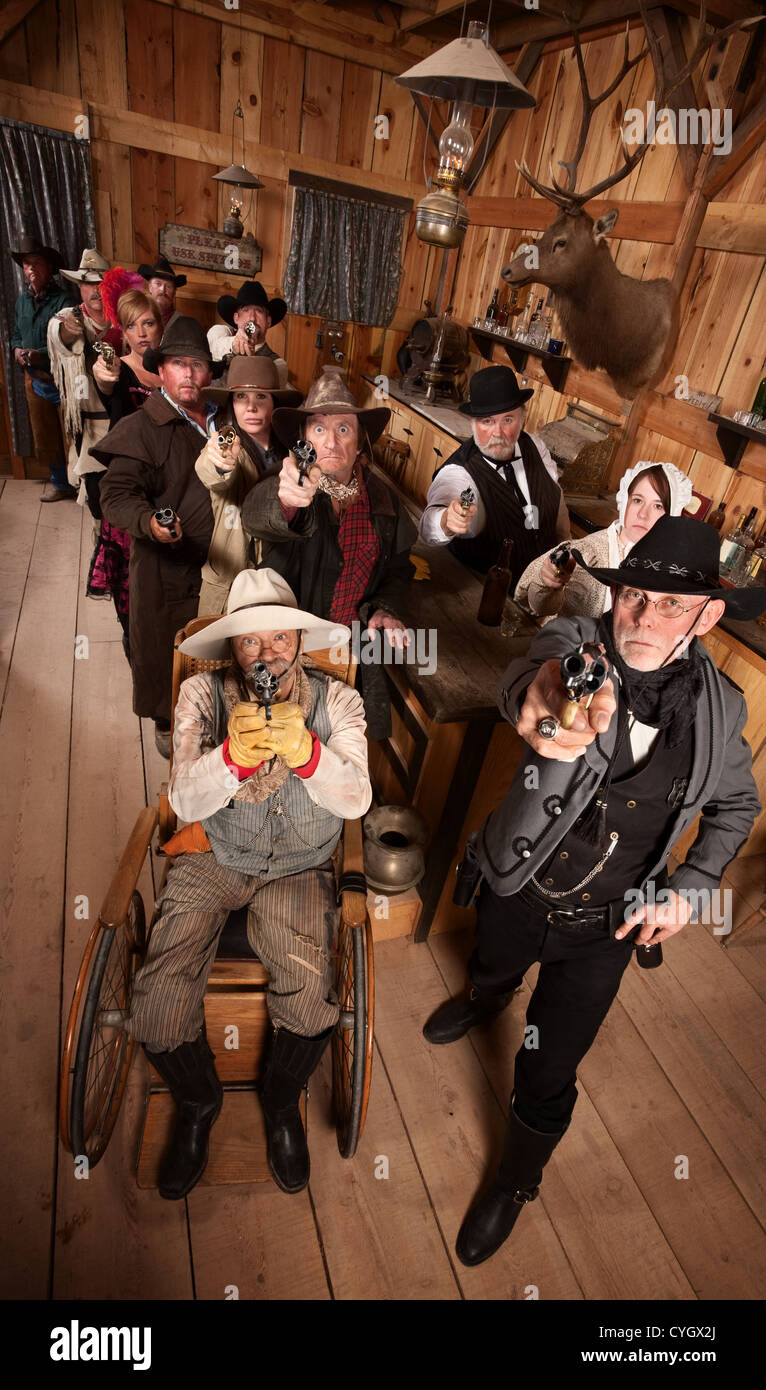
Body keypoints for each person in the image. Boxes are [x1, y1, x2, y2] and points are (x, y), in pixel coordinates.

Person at [422, 516, 766, 1268]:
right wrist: (537, 704)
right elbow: (532, 676)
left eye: (672, 605)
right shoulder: (574, 644)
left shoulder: (723, 709)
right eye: (634, 596)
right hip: (520, 883)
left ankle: (517, 1179)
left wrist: (692, 888)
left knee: (548, 1069)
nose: (643, 619)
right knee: (492, 964)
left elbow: (737, 806)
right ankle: (486, 997)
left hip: (608, 927)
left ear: (708, 615)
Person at [126, 566, 371, 1200]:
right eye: (249, 642)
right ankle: (199, 1100)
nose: (267, 653)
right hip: (219, 853)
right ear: (232, 648)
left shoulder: (339, 700)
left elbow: (357, 799)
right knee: (153, 1004)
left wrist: (309, 755)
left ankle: (282, 1100)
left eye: (278, 639)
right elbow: (183, 796)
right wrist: (229, 759)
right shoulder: (201, 698)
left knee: (314, 994)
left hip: (300, 864)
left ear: (298, 639)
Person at [241, 367, 416, 740]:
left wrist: (386, 608)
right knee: (279, 742)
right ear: (304, 439)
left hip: (353, 653)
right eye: (319, 429)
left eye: (343, 429)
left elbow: (400, 570)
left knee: (342, 745)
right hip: (289, 649)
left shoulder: (383, 503)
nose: (331, 442)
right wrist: (284, 500)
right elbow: (256, 514)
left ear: (360, 441)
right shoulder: (289, 483)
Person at [93, 317, 218, 756]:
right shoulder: (145, 427)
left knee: (214, 653)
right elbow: (115, 493)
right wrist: (149, 523)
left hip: (223, 566)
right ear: (161, 370)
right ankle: (169, 723)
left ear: (208, 373)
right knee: (170, 654)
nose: (189, 374)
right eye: (178, 363)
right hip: (170, 568)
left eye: (198, 365)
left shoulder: (225, 416)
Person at [419, 364, 570, 582]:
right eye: (487, 421)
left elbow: (557, 500)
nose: (498, 432)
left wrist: (566, 549)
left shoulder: (535, 447)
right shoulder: (461, 473)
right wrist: (446, 521)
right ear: (472, 424)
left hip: (546, 587)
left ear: (521, 420)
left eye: (507, 419)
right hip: (490, 591)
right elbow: (429, 525)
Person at [515, 460, 693, 622]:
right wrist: (548, 584)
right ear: (624, 502)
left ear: (672, 514)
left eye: (658, 506)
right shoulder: (587, 552)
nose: (642, 514)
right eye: (637, 500)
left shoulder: (669, 567)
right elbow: (541, 607)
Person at [85, 285, 163, 649]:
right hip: (131, 486)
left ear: (159, 326)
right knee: (130, 582)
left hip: (166, 483)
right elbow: (104, 377)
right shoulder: (119, 369)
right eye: (132, 326)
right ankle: (135, 648)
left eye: (148, 323)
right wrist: (103, 372)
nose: (142, 333)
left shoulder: (170, 370)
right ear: (124, 332)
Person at [194, 355, 302, 615]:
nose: (251, 407)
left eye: (261, 397)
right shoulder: (228, 447)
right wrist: (221, 462)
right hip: (229, 584)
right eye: (241, 397)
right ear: (232, 403)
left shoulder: (290, 454)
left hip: (278, 580)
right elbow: (211, 471)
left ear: (274, 403)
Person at [48, 253, 134, 516]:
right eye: (88, 284)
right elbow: (58, 336)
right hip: (90, 426)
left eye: (101, 283)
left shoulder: (125, 319)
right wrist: (67, 330)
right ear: (79, 287)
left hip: (126, 421)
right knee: (97, 500)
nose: (95, 290)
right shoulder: (69, 317)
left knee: (129, 493)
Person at [9, 234, 79, 501]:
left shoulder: (64, 302)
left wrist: (38, 355)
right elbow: (16, 332)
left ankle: (78, 483)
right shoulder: (21, 301)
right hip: (34, 380)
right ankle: (60, 483)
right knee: (46, 436)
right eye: (27, 264)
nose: (31, 269)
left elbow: (69, 343)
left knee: (72, 433)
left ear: (49, 268)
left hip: (62, 380)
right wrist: (17, 349)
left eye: (36, 263)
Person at [207, 280, 289, 385]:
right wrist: (234, 345)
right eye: (246, 310)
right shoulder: (220, 332)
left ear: (268, 321)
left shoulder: (277, 364)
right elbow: (211, 346)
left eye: (259, 311)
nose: (252, 318)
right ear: (236, 318)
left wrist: (251, 358)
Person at [137, 256, 186, 329]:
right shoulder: (136, 314)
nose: (162, 290)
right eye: (158, 284)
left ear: (174, 292)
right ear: (150, 287)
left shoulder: (182, 323)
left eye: (168, 286)